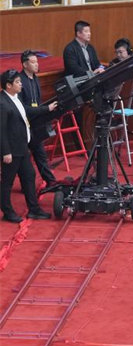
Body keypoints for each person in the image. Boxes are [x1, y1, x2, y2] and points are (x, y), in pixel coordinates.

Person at [1, 69, 57, 222]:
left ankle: (34, 209)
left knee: (29, 176)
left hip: (23, 148)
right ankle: (7, 212)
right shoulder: (2, 103)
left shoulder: (16, 98)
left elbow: (27, 111)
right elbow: (1, 131)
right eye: (18, 82)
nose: (21, 85)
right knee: (7, 182)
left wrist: (47, 108)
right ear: (8, 85)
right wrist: (5, 152)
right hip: (12, 151)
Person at [18, 50, 56, 187]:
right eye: (33, 62)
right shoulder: (19, 81)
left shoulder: (35, 79)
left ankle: (50, 181)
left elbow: (37, 102)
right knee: (22, 160)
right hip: (22, 125)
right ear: (24, 64)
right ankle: (24, 185)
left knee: (40, 154)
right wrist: (46, 109)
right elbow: (23, 108)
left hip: (35, 123)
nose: (36, 64)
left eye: (37, 61)